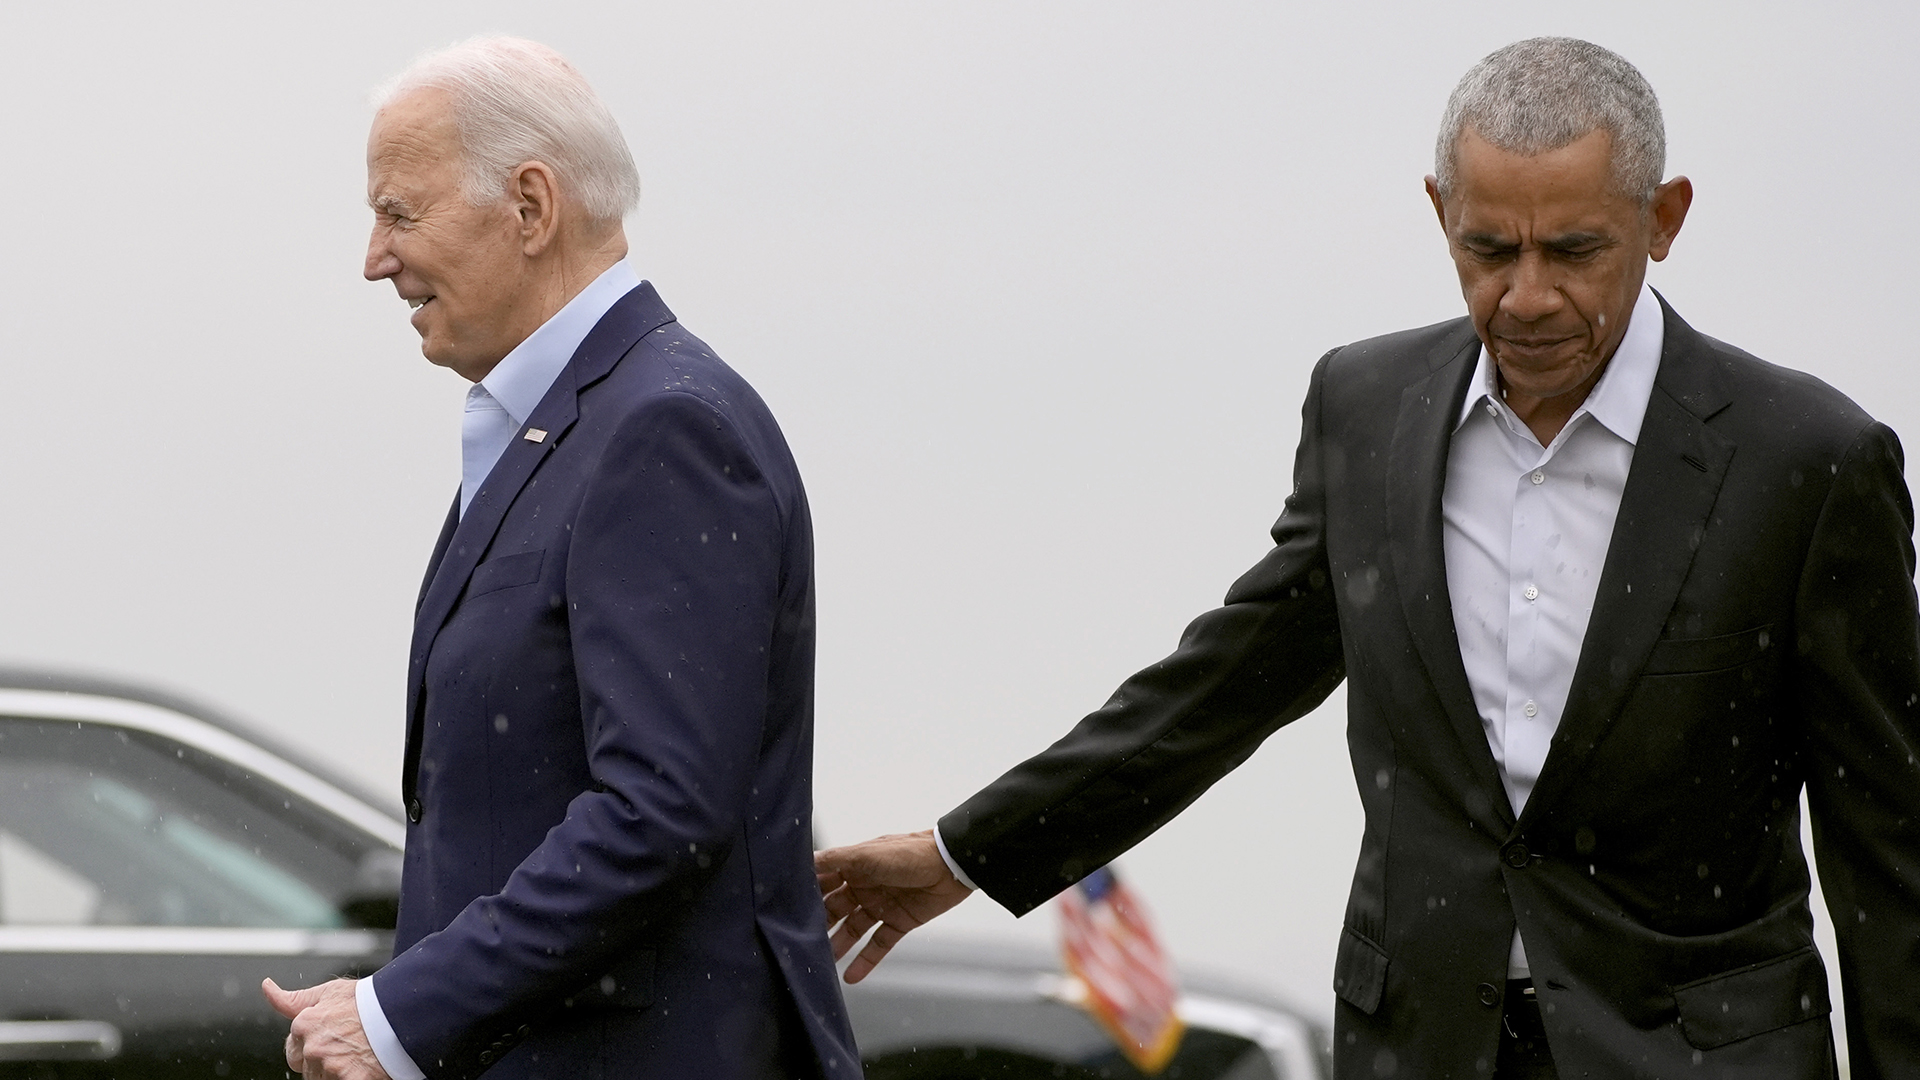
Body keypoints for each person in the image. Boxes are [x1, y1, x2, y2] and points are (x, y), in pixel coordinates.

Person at [815, 37, 1920, 1080]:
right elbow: (1219, 689)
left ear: (1663, 217)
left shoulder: (1807, 463)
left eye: (1573, 250)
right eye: (1489, 249)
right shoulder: (1366, 412)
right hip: (1422, 1046)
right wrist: (965, 854)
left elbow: (1890, 855)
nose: (1526, 296)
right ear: (1441, 214)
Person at [259, 37, 861, 1080]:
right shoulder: (579, 426)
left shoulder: (660, 429)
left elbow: (660, 814)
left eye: (401, 214)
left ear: (531, 207)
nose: (373, 257)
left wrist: (400, 1015)